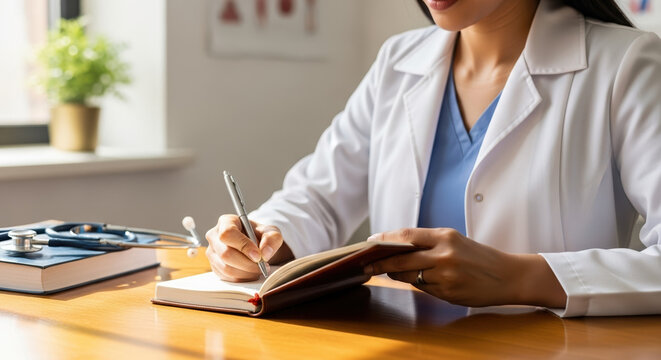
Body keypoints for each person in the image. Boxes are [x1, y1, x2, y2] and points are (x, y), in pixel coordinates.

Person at [205, 0, 661, 317]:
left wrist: (520, 278)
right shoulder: (398, 61)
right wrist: (262, 240)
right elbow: (318, 197)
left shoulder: (626, 64)